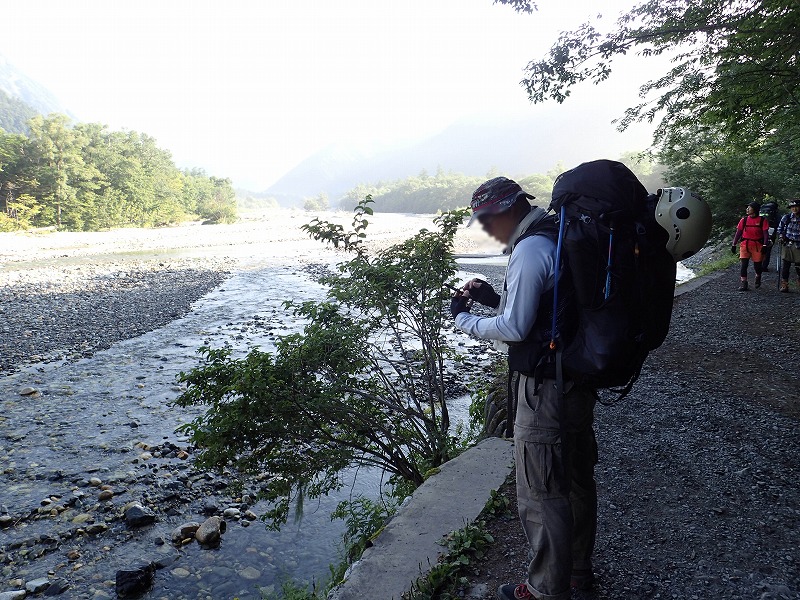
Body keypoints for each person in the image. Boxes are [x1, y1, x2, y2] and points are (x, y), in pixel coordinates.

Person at [450, 177, 598, 600]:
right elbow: (548, 313)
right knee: (575, 478)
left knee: (541, 488)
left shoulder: (530, 249)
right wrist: (493, 298)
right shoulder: (555, 235)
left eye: (485, 219)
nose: (484, 228)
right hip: (576, 377)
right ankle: (577, 573)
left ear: (507, 209)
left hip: (544, 388)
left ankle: (545, 589)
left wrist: (463, 319)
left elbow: (515, 329)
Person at [731, 201, 770, 291]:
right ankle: (744, 283)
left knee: (757, 266)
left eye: (749, 207)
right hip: (745, 245)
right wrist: (734, 244)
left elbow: (765, 234)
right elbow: (738, 233)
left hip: (758, 245)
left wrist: (764, 245)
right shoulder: (743, 220)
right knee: (744, 265)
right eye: (747, 208)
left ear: (755, 209)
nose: (747, 209)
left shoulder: (762, 220)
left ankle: (758, 276)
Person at [776, 199, 800, 292]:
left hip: (799, 244)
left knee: (798, 265)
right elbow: (780, 228)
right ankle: (784, 284)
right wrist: (781, 236)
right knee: (786, 265)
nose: (794, 209)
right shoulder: (787, 217)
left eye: (796, 206)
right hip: (788, 244)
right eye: (792, 207)